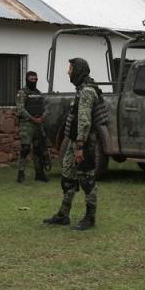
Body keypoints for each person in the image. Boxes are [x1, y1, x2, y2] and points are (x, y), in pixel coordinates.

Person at [43, 58, 100, 231]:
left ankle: (90, 218)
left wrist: (80, 147)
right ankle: (63, 214)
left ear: (79, 70)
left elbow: (84, 121)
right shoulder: (81, 89)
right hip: (75, 141)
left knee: (86, 178)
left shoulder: (87, 92)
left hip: (84, 142)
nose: (68, 72)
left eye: (70, 68)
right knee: (68, 175)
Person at [15, 70, 49, 183]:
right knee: (25, 149)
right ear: (27, 80)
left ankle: (39, 173)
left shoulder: (39, 93)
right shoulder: (22, 92)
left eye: (35, 79)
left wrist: (42, 117)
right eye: (31, 79)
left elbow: (45, 107)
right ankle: (20, 174)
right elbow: (20, 109)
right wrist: (33, 119)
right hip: (27, 124)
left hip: (38, 124)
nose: (34, 81)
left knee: (39, 149)